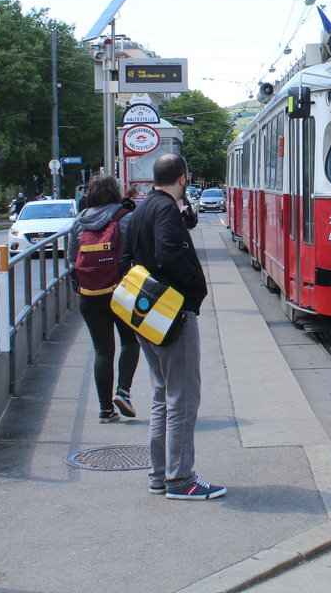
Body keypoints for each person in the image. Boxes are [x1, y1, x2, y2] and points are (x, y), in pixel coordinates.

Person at [120, 154, 224, 500]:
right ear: (182, 178)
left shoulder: (142, 208)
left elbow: (127, 259)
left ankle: (159, 474)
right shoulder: (165, 210)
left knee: (163, 395)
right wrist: (197, 283)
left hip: (145, 313)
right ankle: (180, 480)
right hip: (171, 313)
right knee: (183, 396)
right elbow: (168, 253)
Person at [69, 174, 139, 424]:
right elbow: (138, 256)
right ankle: (123, 391)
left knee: (102, 349)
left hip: (88, 294)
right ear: (115, 193)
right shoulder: (126, 218)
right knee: (130, 342)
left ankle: (105, 409)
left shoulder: (79, 222)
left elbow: (71, 260)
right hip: (121, 291)